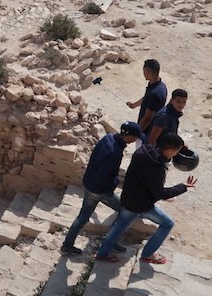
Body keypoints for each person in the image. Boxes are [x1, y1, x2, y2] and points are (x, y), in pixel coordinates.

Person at [95, 133, 197, 264]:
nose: (175, 155)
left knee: (119, 226)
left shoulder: (144, 151)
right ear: (170, 150)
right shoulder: (157, 167)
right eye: (176, 152)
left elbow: (148, 182)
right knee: (167, 224)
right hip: (141, 204)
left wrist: (180, 146)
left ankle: (102, 254)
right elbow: (161, 193)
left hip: (128, 198)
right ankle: (148, 254)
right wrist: (183, 187)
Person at [61, 122, 145, 256]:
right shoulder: (115, 151)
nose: (135, 140)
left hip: (89, 184)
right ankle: (111, 242)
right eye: (135, 137)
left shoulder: (108, 138)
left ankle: (67, 245)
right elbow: (103, 177)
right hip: (100, 190)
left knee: (83, 217)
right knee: (124, 211)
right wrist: (115, 182)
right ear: (127, 136)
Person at [127, 59, 167, 143]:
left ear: (147, 71)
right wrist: (134, 105)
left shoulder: (154, 94)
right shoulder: (160, 86)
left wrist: (136, 133)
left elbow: (147, 118)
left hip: (145, 133)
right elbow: (146, 99)